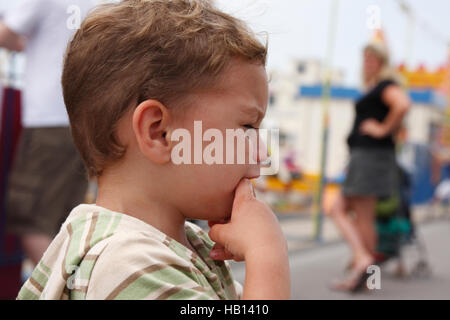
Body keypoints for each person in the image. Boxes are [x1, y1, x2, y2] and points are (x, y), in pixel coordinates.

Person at [17, 0, 290, 300]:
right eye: (248, 127)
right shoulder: (127, 265)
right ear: (158, 132)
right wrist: (267, 255)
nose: (262, 152)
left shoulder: (186, 243)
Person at [0, 0, 95, 266]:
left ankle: (61, 292)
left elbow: (7, 36)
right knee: (67, 222)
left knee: (30, 221)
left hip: (48, 120)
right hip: (83, 120)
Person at [327, 41, 411, 292]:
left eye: (372, 59)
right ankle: (366, 278)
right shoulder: (374, 87)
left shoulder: (386, 86)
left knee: (338, 208)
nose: (367, 63)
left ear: (383, 62)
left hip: (369, 157)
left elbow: (403, 104)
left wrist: (383, 128)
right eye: (365, 58)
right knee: (364, 217)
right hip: (369, 157)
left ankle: (362, 260)